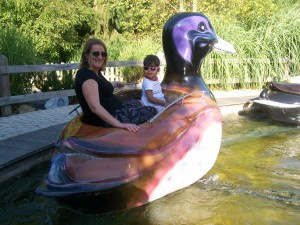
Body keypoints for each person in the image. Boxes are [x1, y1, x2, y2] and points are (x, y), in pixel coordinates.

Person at [75, 38, 157, 132]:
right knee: (152, 110)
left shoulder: (95, 72)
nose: (100, 57)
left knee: (139, 102)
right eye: (96, 53)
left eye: (103, 54)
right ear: (86, 55)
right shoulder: (86, 75)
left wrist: (113, 83)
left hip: (117, 107)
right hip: (108, 118)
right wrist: (120, 124)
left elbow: (98, 86)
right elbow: (95, 107)